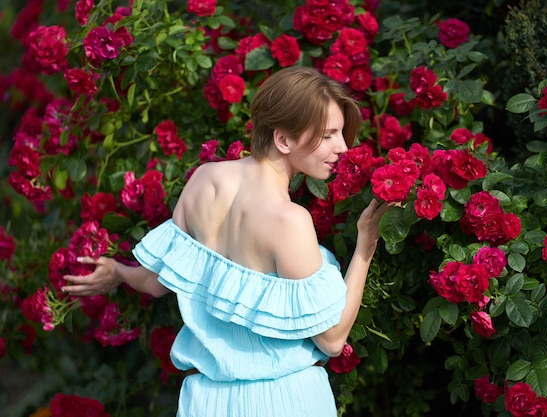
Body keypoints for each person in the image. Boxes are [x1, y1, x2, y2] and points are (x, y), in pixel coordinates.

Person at [62, 66, 392, 417]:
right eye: (328, 135)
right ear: (283, 139)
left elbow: (158, 282)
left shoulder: (204, 180)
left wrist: (117, 271)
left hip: (206, 402)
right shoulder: (290, 220)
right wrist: (365, 247)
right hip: (286, 400)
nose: (342, 147)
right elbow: (331, 340)